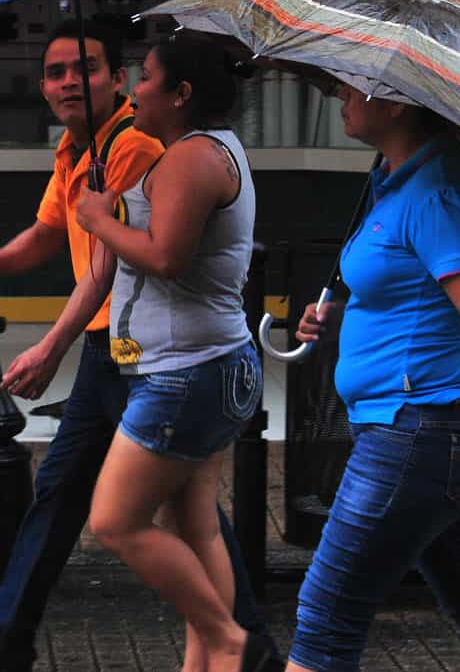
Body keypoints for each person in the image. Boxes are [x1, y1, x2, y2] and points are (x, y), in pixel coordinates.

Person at [0, 21, 274, 672]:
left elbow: (126, 259)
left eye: (86, 69)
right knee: (155, 506)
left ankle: (235, 636)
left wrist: (53, 338)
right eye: (53, 71)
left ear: (120, 81)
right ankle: (228, 645)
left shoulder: (150, 149)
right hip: (142, 350)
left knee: (121, 514)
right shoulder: (83, 150)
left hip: (151, 356)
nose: (65, 83)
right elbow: (53, 230)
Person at [286, 83, 460, 672]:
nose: (339, 94)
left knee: (326, 612)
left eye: (355, 88)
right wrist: (339, 309)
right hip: (418, 431)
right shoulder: (398, 180)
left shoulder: (441, 194)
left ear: (395, 104)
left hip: (423, 433)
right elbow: (404, 284)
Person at [72, 34, 272, 672]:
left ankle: (225, 637)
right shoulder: (203, 151)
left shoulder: (191, 159)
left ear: (182, 95)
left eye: (148, 77)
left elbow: (164, 256)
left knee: (114, 521)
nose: (134, 88)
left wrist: (101, 219)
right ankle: (206, 663)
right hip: (206, 367)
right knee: (197, 529)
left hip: (187, 375)